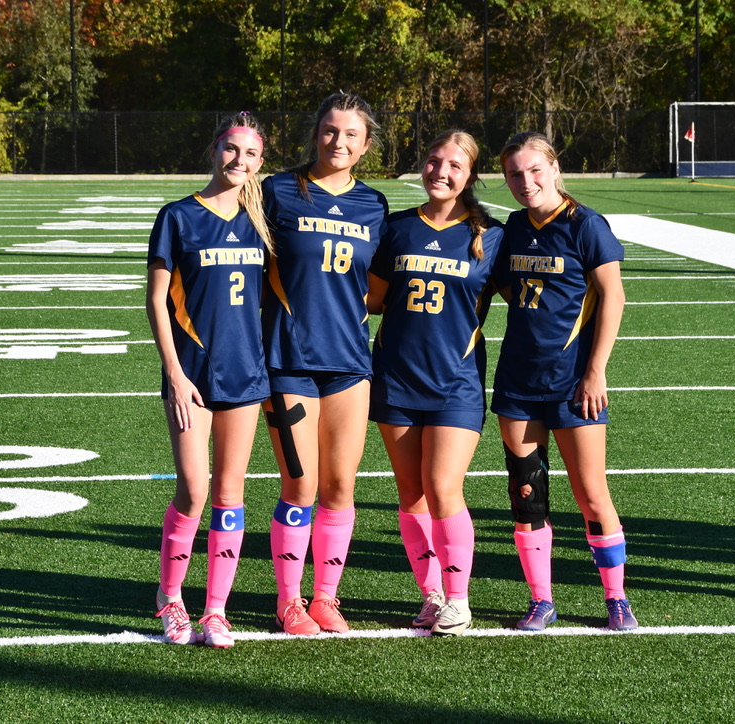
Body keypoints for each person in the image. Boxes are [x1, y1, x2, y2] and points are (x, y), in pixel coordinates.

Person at [493, 131, 637, 632]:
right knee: (526, 493)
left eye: (535, 170)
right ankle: (541, 600)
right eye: (515, 173)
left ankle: (616, 597)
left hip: (575, 384)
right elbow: (509, 288)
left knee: (591, 493)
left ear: (555, 169)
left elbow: (613, 296)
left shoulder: (586, 224)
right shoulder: (513, 227)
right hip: (517, 380)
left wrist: (595, 371)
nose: (526, 181)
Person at [366, 130, 504, 636]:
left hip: (456, 382)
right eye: (433, 161)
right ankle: (431, 594)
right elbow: (373, 299)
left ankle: (459, 600)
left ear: (470, 175)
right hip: (396, 377)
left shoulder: (493, 235)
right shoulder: (397, 227)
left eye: (454, 165)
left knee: (444, 487)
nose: (440, 172)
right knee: (411, 495)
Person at [260, 92, 388, 635]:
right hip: (288, 358)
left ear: (366, 145)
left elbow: (379, 288)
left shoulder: (374, 205)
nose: (339, 141)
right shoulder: (276, 191)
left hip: (349, 360)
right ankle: (288, 600)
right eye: (331, 130)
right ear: (316, 133)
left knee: (340, 486)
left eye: (351, 134)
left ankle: (325, 598)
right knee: (300, 486)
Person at [145, 112, 272, 648]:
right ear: (214, 149)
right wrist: (174, 373)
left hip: (245, 373)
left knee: (230, 493)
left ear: (260, 163)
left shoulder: (261, 221)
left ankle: (216, 610)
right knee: (194, 490)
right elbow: (156, 299)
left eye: (250, 153)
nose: (238, 160)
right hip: (192, 374)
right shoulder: (178, 215)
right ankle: (170, 598)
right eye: (230, 148)